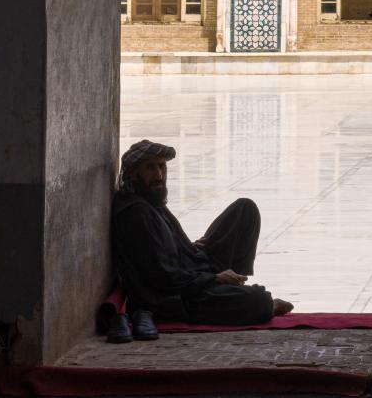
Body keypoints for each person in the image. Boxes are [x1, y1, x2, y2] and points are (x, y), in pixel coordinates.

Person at [108, 139, 293, 342]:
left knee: (244, 210)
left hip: (192, 267)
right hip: (177, 295)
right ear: (134, 173)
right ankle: (235, 291)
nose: (159, 175)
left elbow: (165, 246)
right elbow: (162, 277)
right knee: (260, 301)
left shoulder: (150, 199)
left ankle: (234, 284)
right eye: (150, 168)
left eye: (161, 167)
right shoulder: (137, 213)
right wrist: (214, 279)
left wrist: (186, 246)